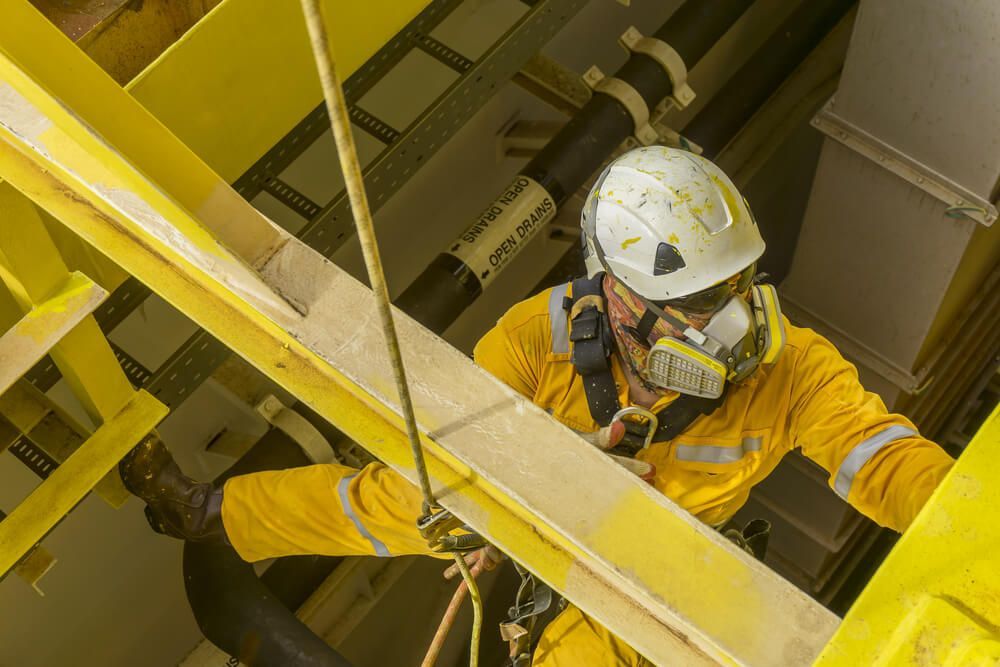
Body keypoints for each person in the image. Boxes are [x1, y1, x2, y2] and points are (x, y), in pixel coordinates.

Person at [121, 146, 954, 666]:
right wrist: (539, 491)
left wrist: (970, 527)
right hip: (562, 551)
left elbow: (886, 458)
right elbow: (444, 478)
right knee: (413, 500)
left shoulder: (790, 367)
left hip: (675, 574)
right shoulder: (534, 343)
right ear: (619, 296)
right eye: (697, 303)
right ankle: (218, 514)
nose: (731, 322)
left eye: (738, 287)